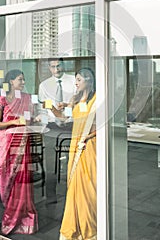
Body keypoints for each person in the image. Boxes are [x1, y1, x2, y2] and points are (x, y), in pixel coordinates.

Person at [51, 68, 97, 240]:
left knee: (90, 188)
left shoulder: (97, 99)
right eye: (75, 80)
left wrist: (87, 138)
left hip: (90, 146)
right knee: (74, 188)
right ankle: (75, 228)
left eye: (78, 79)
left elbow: (102, 126)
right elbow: (64, 120)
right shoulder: (74, 99)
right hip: (75, 145)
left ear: (88, 80)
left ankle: (92, 228)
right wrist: (53, 109)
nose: (76, 83)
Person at [0, 69, 38, 235]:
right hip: (7, 143)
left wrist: (35, 118)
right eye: (20, 79)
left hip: (22, 142)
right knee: (8, 177)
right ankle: (10, 216)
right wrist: (15, 122)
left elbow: (32, 117)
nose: (23, 82)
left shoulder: (26, 99)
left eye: (24, 79)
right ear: (11, 81)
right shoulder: (1, 100)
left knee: (22, 178)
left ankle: (23, 217)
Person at [38, 57, 76, 123]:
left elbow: (78, 104)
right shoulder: (44, 85)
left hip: (72, 123)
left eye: (58, 66)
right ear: (49, 68)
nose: (56, 70)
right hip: (51, 124)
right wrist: (45, 122)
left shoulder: (74, 81)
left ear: (63, 65)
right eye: (53, 67)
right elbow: (42, 110)